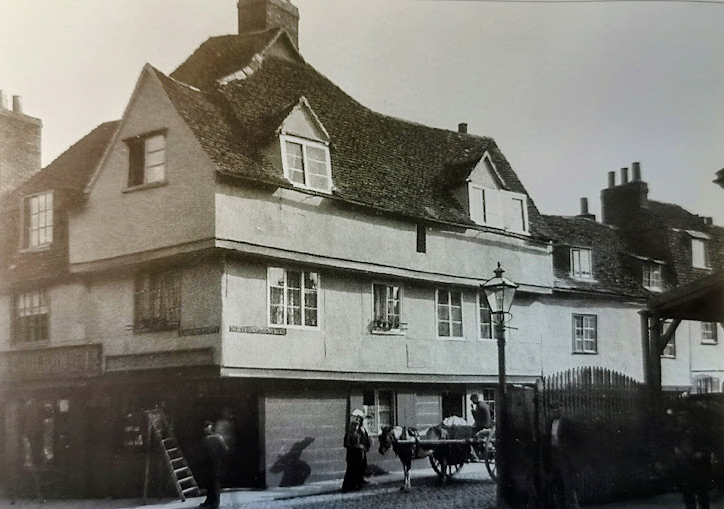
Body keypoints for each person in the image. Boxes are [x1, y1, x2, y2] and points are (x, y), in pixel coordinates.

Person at [673, 405, 711, 509]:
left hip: (697, 467)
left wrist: (700, 453)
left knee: (701, 493)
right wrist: (677, 452)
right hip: (686, 466)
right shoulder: (679, 432)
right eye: (679, 418)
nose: (680, 420)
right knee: (689, 494)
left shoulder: (697, 431)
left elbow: (707, 446)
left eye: (683, 418)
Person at [545, 401, 579, 509]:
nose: (556, 411)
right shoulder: (550, 423)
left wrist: (569, 453)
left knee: (568, 483)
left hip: (565, 457)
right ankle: (561, 505)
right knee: (557, 483)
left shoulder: (568, 423)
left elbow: (575, 440)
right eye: (553, 409)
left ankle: (573, 505)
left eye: (558, 408)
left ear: (562, 409)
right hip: (553, 456)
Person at [199, 420, 228, 509]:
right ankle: (209, 500)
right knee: (209, 483)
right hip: (208, 463)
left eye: (208, 427)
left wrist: (218, 457)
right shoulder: (205, 439)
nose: (206, 429)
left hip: (215, 463)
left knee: (214, 483)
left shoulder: (218, 438)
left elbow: (225, 450)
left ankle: (215, 502)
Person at [342, 409, 370, 492]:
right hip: (352, 456)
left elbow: (365, 441)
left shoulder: (360, 432)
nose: (356, 427)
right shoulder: (349, 433)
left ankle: (357, 484)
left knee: (359, 470)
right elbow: (346, 444)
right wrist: (357, 447)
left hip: (359, 455)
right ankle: (347, 487)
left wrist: (364, 447)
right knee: (350, 471)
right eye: (354, 425)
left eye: (357, 425)